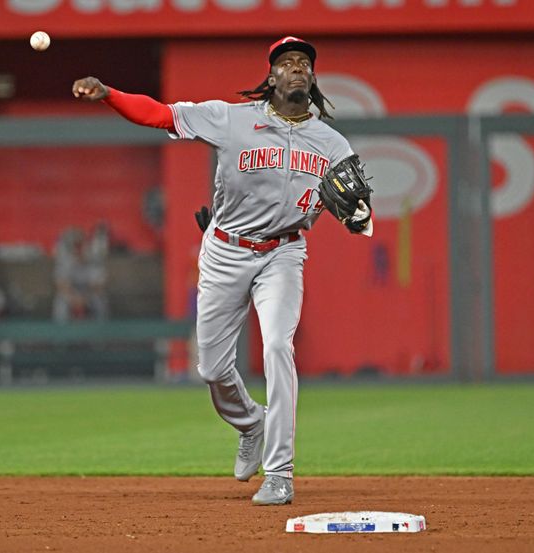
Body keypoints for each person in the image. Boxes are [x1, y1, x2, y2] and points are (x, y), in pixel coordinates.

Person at [73, 36, 372, 506]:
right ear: (271, 77)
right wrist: (109, 93)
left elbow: (360, 211)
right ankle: (250, 423)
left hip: (283, 254)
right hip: (225, 251)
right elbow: (160, 115)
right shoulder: (232, 119)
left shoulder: (331, 142)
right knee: (211, 368)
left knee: (277, 346)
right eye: (286, 62)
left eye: (304, 63)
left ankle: (280, 474)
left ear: (311, 79)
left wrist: (359, 218)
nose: (296, 68)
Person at [52, 226, 108, 322]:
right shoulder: (64, 259)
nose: (77, 249)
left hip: (90, 293)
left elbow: (99, 286)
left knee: (99, 302)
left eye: (80, 245)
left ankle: (100, 334)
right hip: (71, 292)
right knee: (61, 304)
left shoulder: (94, 258)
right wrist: (74, 298)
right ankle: (62, 335)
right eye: (74, 245)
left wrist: (85, 298)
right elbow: (61, 285)